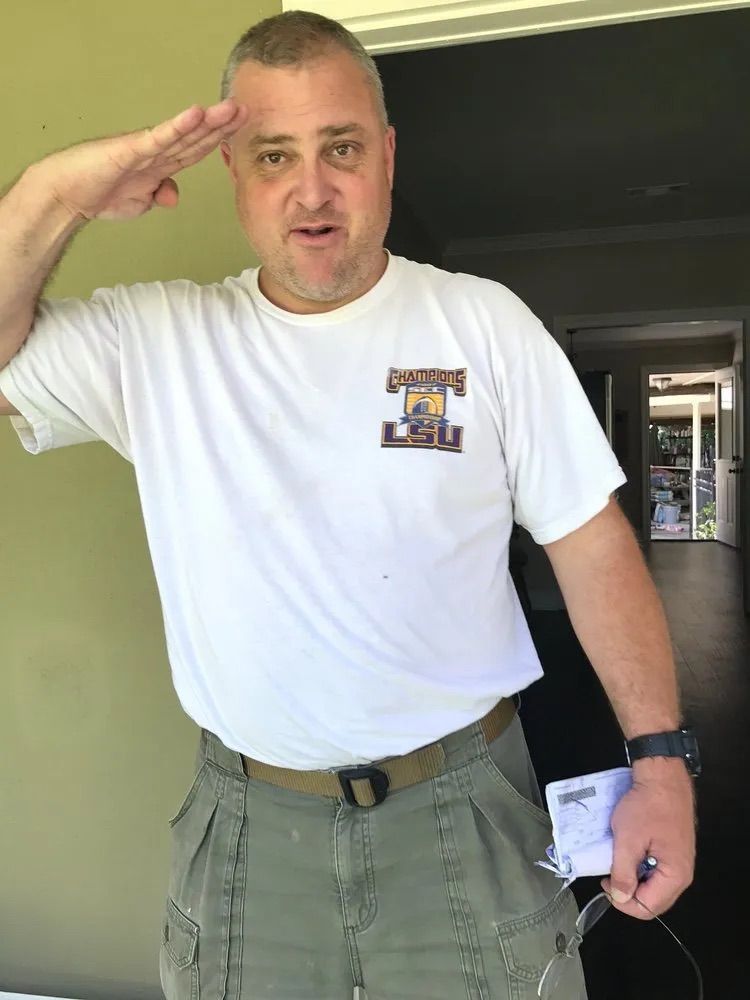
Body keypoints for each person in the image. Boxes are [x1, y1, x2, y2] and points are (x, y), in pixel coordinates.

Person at [0, 11, 696, 1000]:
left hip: (466, 816)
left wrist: (660, 759)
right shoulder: (154, 345)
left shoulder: (481, 323)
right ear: (233, 172)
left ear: (388, 155)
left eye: (341, 147)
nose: (312, 190)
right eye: (273, 155)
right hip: (247, 829)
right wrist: (55, 193)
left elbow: (591, 544)